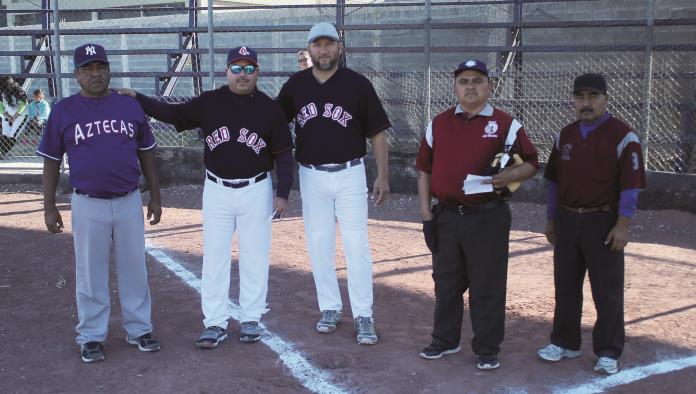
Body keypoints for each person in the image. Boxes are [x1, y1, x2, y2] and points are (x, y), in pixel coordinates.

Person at [119, 46, 294, 349]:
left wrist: (283, 193)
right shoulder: (210, 102)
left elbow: (284, 154)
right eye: (236, 68)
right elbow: (173, 113)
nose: (243, 74)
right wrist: (139, 99)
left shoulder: (270, 108)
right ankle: (215, 322)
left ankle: (252, 318)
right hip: (217, 190)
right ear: (226, 72)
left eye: (248, 68)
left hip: (257, 189)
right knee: (214, 257)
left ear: (257, 72)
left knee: (255, 256)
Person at [37, 43, 162, 363]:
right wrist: (48, 206)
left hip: (128, 200)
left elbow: (147, 152)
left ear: (109, 70)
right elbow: (51, 161)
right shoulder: (64, 110)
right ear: (77, 75)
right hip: (87, 203)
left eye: (101, 67)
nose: (96, 74)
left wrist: (156, 195)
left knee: (134, 268)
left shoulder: (128, 107)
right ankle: (91, 336)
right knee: (90, 273)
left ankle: (139, 329)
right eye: (88, 68)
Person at [415, 59, 539, 369]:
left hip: (487, 217)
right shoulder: (438, 123)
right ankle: (445, 340)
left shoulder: (507, 124)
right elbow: (423, 171)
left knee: (487, 285)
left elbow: (531, 164)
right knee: (445, 283)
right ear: (455, 87)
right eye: (464, 81)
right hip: (446, 216)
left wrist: (506, 177)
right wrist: (426, 217)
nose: (470, 86)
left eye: (477, 80)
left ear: (489, 86)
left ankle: (487, 348)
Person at [277, 22, 391, 345]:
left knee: (357, 246)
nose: (323, 50)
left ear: (339, 48)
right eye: (317, 45)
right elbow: (274, 124)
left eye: (329, 44)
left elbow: (378, 132)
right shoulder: (295, 86)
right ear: (309, 50)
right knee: (319, 244)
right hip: (311, 174)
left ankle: (363, 313)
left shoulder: (357, 84)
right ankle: (329, 307)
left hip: (350, 172)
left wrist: (382, 174)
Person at [537, 73, 646, 375]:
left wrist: (623, 224)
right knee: (566, 285)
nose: (585, 103)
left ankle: (608, 350)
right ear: (574, 100)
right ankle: (565, 342)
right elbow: (554, 182)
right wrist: (551, 218)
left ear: (605, 99)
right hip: (569, 219)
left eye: (592, 97)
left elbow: (630, 186)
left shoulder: (623, 136)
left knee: (606, 290)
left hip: (603, 220)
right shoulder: (565, 135)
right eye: (580, 97)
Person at [0, 76, 28, 158]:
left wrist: (15, 116)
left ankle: (2, 152)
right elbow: (0, 106)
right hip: (7, 114)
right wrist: (7, 116)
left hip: (21, 115)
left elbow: (23, 105)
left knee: (12, 135)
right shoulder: (1, 91)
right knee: (5, 134)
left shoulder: (18, 90)